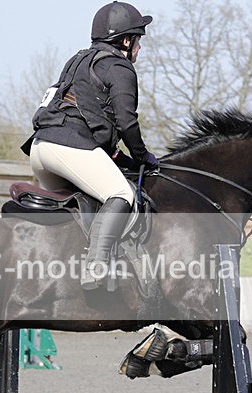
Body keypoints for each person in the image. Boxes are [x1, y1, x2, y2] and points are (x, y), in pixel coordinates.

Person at [22, 1, 158, 290]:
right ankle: (95, 267)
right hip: (68, 147)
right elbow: (126, 122)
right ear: (125, 41)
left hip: (41, 148)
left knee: (87, 205)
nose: (139, 48)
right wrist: (143, 156)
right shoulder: (119, 67)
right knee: (121, 194)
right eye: (138, 40)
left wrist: (123, 158)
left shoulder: (78, 60)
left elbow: (92, 122)